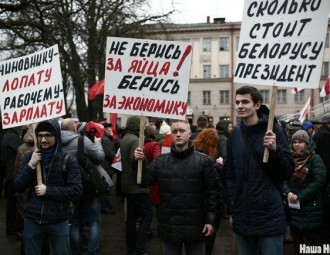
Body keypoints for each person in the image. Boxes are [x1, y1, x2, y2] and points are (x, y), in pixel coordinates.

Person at [134, 119, 221, 255]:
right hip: (169, 225)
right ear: (171, 134)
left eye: (182, 131)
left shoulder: (204, 161)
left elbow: (214, 193)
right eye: (175, 131)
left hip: (196, 226)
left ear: (189, 133)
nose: (178, 134)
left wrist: (211, 220)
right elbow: (144, 181)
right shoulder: (160, 161)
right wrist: (139, 163)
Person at [226, 86, 294, 255]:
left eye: (245, 101)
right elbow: (229, 175)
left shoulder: (273, 130)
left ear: (257, 105)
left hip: (269, 214)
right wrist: (231, 209)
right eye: (237, 102)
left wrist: (275, 150)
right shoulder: (234, 134)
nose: (240, 105)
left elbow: (287, 171)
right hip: (242, 214)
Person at [13, 119, 82, 255]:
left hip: (58, 220)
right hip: (33, 219)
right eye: (40, 135)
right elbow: (18, 186)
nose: (43, 140)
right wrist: (31, 165)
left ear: (56, 136)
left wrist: (48, 191)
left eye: (48, 136)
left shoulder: (68, 160)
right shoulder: (29, 158)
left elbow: (76, 191)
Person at [61, 119, 106, 255]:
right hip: (88, 186)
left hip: (68, 186)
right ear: (74, 128)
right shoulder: (82, 140)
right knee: (94, 221)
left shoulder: (55, 143)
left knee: (74, 222)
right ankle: (93, 251)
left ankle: (76, 252)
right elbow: (99, 157)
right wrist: (97, 144)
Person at [283, 130, 326, 255]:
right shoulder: (290, 158)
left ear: (307, 143)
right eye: (295, 142)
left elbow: (319, 181)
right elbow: (284, 178)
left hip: (310, 206)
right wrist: (288, 193)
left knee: (313, 240)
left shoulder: (314, 159)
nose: (297, 145)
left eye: (301, 142)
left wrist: (300, 196)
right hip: (293, 206)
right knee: (296, 239)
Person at [120, 116, 153, 255]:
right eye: (143, 125)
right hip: (137, 186)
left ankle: (131, 248)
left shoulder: (126, 138)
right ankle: (139, 247)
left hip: (128, 185)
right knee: (147, 215)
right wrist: (144, 160)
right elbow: (137, 164)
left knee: (131, 218)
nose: (144, 128)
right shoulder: (135, 140)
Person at [193, 128, 223, 255]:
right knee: (207, 242)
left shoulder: (194, 154)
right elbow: (214, 185)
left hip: (195, 207)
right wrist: (219, 166)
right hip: (208, 206)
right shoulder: (209, 160)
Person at [1, 125, 23, 239]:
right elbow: (22, 148)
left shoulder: (8, 136)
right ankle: (13, 228)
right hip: (13, 174)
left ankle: (11, 227)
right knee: (14, 203)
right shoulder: (12, 137)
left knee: (12, 203)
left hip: (11, 174)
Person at [312, 113, 330, 242]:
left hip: (317, 174)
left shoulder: (318, 134)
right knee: (325, 205)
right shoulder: (326, 136)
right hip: (325, 176)